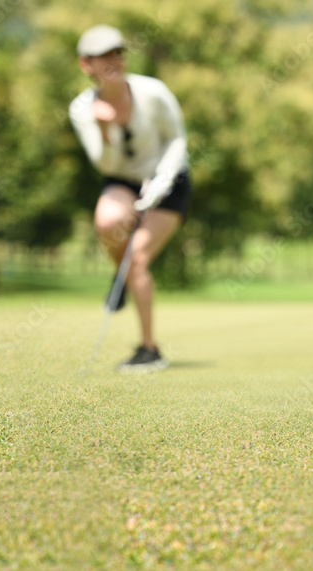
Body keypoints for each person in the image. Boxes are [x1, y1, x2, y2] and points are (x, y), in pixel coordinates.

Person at [69, 24, 191, 372]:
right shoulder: (82, 109)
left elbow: (177, 140)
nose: (114, 60)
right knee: (107, 222)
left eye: (118, 52)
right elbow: (104, 163)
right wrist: (105, 129)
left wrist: (162, 182)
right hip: (122, 178)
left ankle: (149, 349)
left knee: (137, 259)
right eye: (104, 55)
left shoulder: (153, 92)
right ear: (86, 65)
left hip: (171, 180)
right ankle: (122, 275)